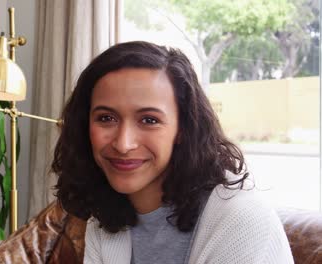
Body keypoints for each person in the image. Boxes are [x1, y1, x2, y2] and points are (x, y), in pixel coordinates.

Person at [52, 41, 293, 264]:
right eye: (106, 118)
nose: (123, 144)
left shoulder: (241, 219)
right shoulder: (104, 215)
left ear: (182, 128)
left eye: (149, 120)